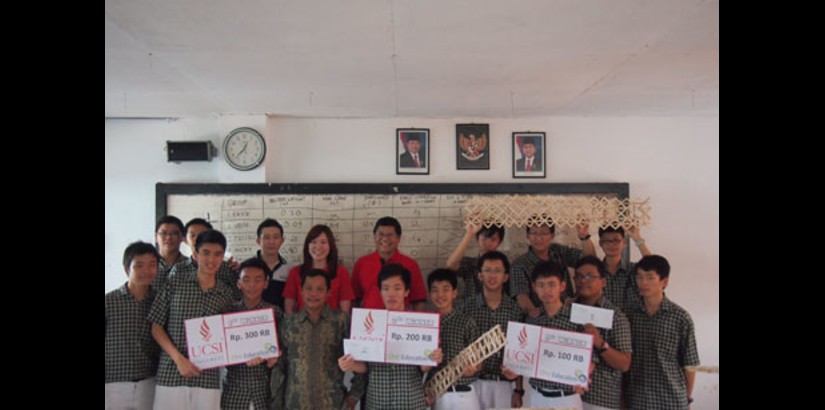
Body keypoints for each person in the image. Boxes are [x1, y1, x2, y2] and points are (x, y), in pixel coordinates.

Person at [148, 230, 237, 410]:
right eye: (206, 253)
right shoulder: (175, 283)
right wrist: (179, 359)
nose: (211, 260)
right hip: (171, 373)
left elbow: (230, 337)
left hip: (208, 378)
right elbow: (156, 326)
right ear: (195, 254)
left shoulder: (226, 294)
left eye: (217, 254)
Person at [338, 264, 443, 410]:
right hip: (377, 401)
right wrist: (350, 365)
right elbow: (365, 367)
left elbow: (423, 367)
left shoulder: (420, 325)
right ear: (380, 291)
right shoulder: (368, 322)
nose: (391, 294)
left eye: (397, 288)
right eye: (386, 288)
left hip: (410, 402)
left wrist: (432, 358)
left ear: (406, 292)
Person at [504, 261, 584, 410]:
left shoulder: (577, 318)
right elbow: (522, 358)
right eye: (541, 285)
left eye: (552, 284)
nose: (546, 290)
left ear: (562, 286)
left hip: (567, 398)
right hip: (537, 397)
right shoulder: (532, 320)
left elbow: (589, 358)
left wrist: (583, 375)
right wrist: (513, 371)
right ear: (534, 288)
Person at [625, 255, 699, 410]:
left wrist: (687, 400)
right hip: (637, 399)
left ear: (664, 282)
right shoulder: (629, 315)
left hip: (671, 399)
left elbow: (690, 364)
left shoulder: (680, 317)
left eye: (650, 278)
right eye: (639, 277)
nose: (643, 282)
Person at [458, 251, 525, 409]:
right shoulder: (466, 308)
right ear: (479, 275)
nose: (492, 276)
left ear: (505, 277)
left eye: (497, 271)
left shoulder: (515, 311)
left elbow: (520, 353)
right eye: (487, 270)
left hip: (503, 384)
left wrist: (518, 389)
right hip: (472, 383)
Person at [281, 268, 354, 409]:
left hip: (333, 403)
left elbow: (358, 358)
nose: (313, 293)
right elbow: (280, 366)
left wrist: (353, 396)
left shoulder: (341, 321)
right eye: (308, 288)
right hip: (295, 403)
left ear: (328, 292)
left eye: (320, 289)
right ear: (301, 291)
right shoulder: (289, 323)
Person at [221, 258, 283, 410]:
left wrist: (275, 358)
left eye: (258, 279)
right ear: (239, 284)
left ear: (266, 283)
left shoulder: (275, 313)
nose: (252, 285)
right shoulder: (228, 314)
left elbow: (285, 349)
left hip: (265, 391)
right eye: (246, 279)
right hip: (234, 391)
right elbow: (221, 351)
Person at [105, 241, 161, 410]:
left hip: (149, 381)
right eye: (139, 266)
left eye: (152, 265)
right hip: (113, 383)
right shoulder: (109, 302)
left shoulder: (160, 300)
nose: (146, 271)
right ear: (126, 269)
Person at [572, 256, 632, 410]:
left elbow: (624, 364)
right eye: (578, 276)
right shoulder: (566, 310)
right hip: (567, 396)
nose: (583, 281)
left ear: (603, 282)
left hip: (601, 398)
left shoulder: (615, 316)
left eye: (590, 276)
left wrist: (599, 343)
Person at [510, 217, 596, 318]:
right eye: (534, 232)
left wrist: (584, 236)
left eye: (544, 233)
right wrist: (534, 313)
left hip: (569, 314)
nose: (539, 238)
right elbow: (521, 295)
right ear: (527, 235)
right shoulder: (520, 264)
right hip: (542, 318)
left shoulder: (557, 251)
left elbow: (589, 261)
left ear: (552, 235)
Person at [426, 269, 482, 410]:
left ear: (454, 293)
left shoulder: (467, 322)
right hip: (435, 394)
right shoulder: (425, 323)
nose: (440, 295)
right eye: (435, 290)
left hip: (463, 394)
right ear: (429, 294)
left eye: (446, 289)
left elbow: (479, 360)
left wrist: (474, 368)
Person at [351, 216, 427, 311]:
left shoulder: (410, 265)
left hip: (400, 320)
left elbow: (418, 301)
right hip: (370, 321)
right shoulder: (361, 263)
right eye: (381, 234)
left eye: (390, 235)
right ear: (374, 236)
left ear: (398, 238)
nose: (385, 239)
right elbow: (354, 299)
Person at [283, 224, 354, 316]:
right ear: (307, 245)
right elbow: (289, 308)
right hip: (302, 327)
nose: (318, 246)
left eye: (323, 242)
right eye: (313, 242)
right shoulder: (295, 272)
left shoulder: (341, 272)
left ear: (330, 245)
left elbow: (344, 311)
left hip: (332, 327)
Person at [169, 218, 240, 300]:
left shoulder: (226, 269)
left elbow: (238, 300)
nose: (197, 239)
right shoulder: (179, 270)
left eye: (202, 234)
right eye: (192, 235)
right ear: (185, 240)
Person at [445, 217, 505, 303]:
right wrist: (469, 234)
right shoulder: (470, 264)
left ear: (499, 242)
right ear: (477, 238)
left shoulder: (504, 267)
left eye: (493, 239)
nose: (488, 243)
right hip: (470, 313)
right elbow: (451, 265)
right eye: (484, 238)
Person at [598, 226, 652, 313]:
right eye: (607, 241)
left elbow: (654, 266)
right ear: (600, 243)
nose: (612, 244)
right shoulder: (596, 271)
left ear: (624, 242)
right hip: (599, 324)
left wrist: (637, 238)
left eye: (616, 240)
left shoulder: (633, 270)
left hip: (632, 324)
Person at [254, 218, 292, 309]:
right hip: (254, 320)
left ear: (282, 241)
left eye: (276, 237)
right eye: (266, 237)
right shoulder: (248, 269)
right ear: (258, 241)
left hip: (282, 321)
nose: (271, 242)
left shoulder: (290, 270)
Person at [153, 215, 187, 289]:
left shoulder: (189, 265)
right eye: (163, 233)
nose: (168, 237)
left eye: (174, 233)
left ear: (182, 237)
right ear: (156, 237)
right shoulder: (148, 265)